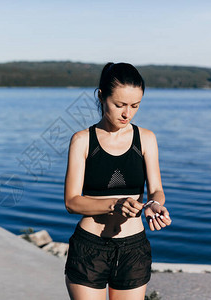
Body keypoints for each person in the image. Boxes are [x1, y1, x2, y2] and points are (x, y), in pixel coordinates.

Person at [64, 62, 172, 300]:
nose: (127, 114)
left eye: (135, 106)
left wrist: (154, 204)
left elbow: (156, 190)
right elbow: (72, 202)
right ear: (102, 96)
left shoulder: (146, 139)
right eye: (120, 105)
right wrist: (115, 203)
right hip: (89, 248)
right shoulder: (82, 141)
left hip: (133, 248)